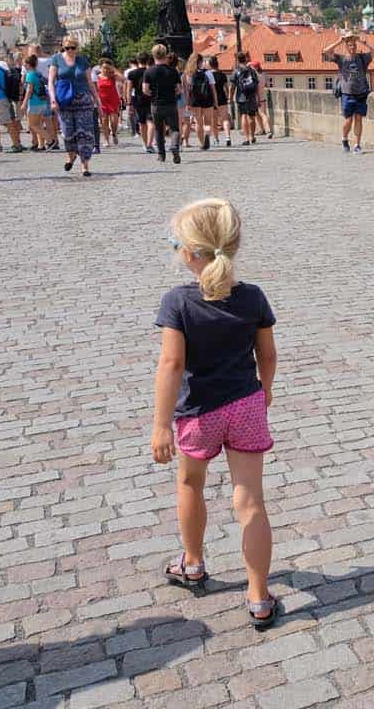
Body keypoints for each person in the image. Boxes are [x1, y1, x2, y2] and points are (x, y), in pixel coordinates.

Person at [152, 198, 279, 630]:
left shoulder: (178, 303)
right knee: (251, 503)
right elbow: (268, 355)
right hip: (246, 406)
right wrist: (266, 392)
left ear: (188, 252)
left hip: (199, 414)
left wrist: (159, 424)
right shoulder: (254, 297)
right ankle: (259, 596)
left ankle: (193, 562)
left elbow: (171, 366)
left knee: (190, 484)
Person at [48, 38, 100, 177]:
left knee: (85, 133)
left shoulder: (83, 60)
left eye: (72, 47)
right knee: (68, 132)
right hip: (64, 101)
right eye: (67, 48)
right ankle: (71, 156)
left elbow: (90, 83)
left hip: (83, 100)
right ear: (63, 48)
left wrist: (97, 101)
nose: (70, 50)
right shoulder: (56, 59)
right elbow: (51, 82)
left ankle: (85, 165)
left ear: (77, 48)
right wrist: (53, 100)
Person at [322, 32, 371, 154]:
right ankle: (344, 139)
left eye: (354, 45)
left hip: (361, 93)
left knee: (358, 119)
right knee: (348, 120)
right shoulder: (341, 59)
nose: (353, 47)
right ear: (346, 47)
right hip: (347, 94)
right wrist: (339, 41)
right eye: (350, 45)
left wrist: (364, 43)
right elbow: (326, 51)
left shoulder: (362, 58)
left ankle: (357, 145)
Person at [146, 44, 182, 164]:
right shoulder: (173, 71)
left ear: (154, 55)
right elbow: (179, 89)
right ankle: (174, 146)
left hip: (156, 104)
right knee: (174, 128)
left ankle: (161, 155)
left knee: (158, 129)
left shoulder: (149, 71)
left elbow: (145, 90)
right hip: (171, 103)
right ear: (165, 54)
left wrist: (153, 93)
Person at [20, 53, 53, 151]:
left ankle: (50, 140)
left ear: (28, 64)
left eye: (24, 64)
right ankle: (41, 145)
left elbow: (29, 90)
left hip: (34, 102)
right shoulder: (38, 73)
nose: (23, 66)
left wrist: (24, 103)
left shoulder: (29, 75)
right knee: (38, 124)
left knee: (32, 125)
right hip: (42, 101)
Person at [231, 54, 263, 145]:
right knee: (252, 116)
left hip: (241, 97)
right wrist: (258, 97)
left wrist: (230, 97)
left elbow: (232, 86)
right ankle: (252, 136)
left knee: (244, 116)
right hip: (252, 96)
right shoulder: (251, 70)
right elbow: (256, 85)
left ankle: (246, 138)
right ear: (245, 59)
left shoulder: (236, 71)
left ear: (237, 60)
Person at [185, 53, 215, 150]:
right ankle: (207, 135)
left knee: (198, 122)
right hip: (207, 99)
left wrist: (188, 103)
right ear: (201, 62)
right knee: (207, 122)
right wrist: (215, 101)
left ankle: (202, 143)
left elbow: (188, 90)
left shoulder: (189, 74)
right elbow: (213, 89)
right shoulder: (208, 73)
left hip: (195, 100)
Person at [127, 53, 153, 153]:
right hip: (151, 98)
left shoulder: (132, 73)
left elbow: (129, 89)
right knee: (151, 122)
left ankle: (145, 144)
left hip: (138, 100)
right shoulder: (150, 71)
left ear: (138, 61)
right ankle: (150, 144)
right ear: (147, 61)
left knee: (142, 123)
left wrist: (129, 103)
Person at [97, 58, 124, 147]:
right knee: (104, 121)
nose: (106, 70)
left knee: (113, 121)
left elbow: (123, 78)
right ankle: (106, 139)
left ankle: (114, 133)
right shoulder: (97, 76)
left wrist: (114, 69)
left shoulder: (113, 76)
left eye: (108, 68)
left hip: (113, 100)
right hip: (102, 101)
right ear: (101, 68)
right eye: (104, 68)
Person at [207, 57, 233, 147]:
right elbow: (226, 87)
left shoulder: (208, 75)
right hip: (222, 98)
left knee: (214, 120)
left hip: (213, 99)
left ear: (210, 65)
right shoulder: (222, 74)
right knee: (225, 119)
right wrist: (228, 96)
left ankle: (216, 139)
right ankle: (228, 137)